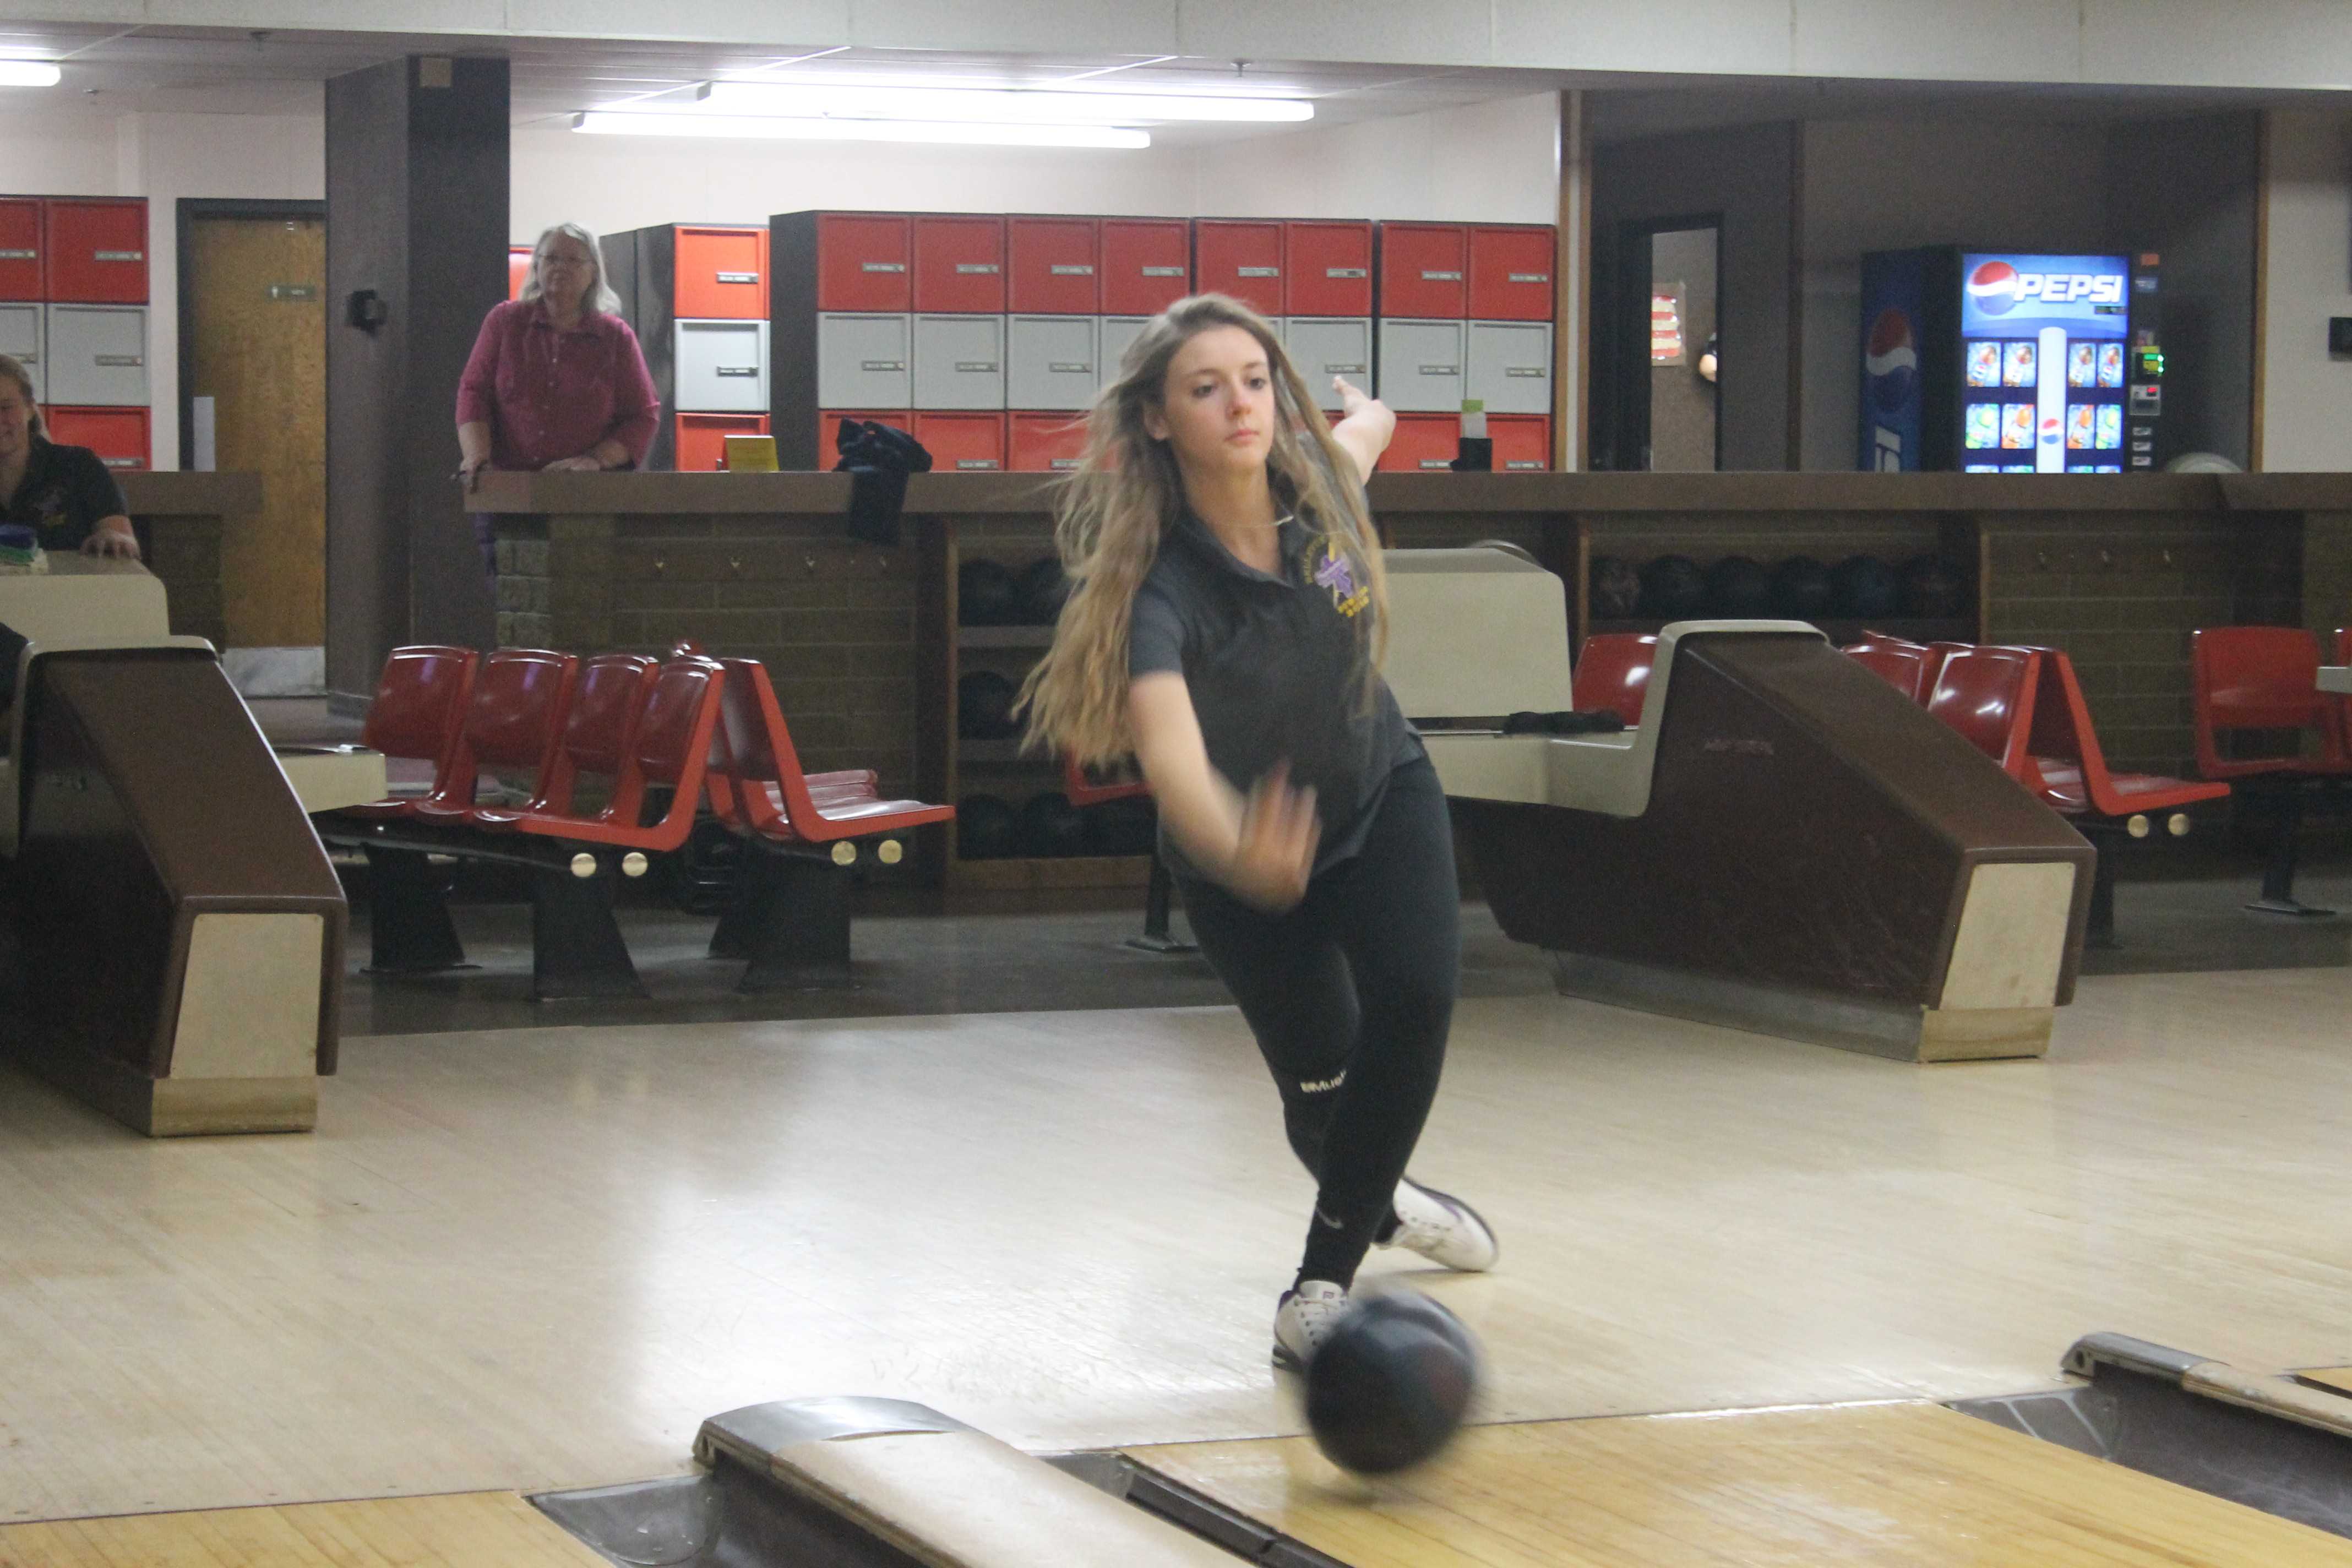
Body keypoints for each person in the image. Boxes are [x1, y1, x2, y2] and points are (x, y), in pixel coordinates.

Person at [1020, 295, 1498, 1373]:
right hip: (1246, 866)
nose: (1240, 404)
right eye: (1206, 387)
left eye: (1253, 379)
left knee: (1418, 998)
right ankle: (1386, 1201)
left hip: (1379, 791)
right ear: (1156, 419)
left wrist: (1367, 410)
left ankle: (1317, 1287)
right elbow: (1172, 758)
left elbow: (1366, 440)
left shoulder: (1316, 484)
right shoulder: (1161, 588)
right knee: (1324, 1106)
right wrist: (1239, 845)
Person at [455, 222, 658, 569]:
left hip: (583, 499)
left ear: (593, 272)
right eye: (550, 258)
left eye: (572, 260)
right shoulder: (505, 323)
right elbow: (473, 392)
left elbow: (643, 415)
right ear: (536, 267)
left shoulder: (615, 338)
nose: (559, 267)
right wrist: (477, 456)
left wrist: (595, 460)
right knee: (513, 604)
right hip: (510, 496)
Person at [0, 352, 140, 561]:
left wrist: (111, 537)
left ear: (30, 408)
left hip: (73, 592)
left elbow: (124, 539)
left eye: (5, 407)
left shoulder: (79, 466)